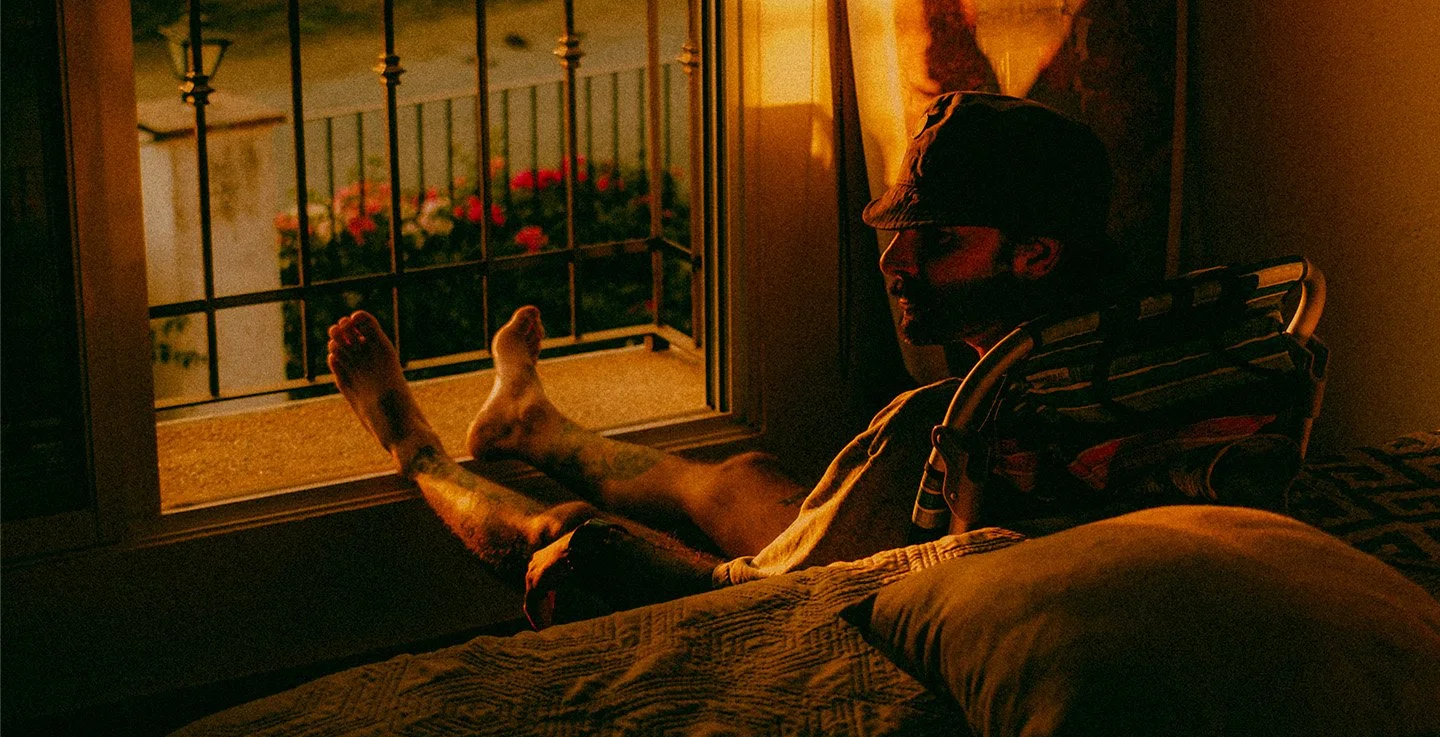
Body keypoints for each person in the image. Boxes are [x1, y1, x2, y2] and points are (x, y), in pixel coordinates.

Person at [328, 93, 1119, 627]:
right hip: (923, 547)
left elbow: (784, 600)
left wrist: (670, 570)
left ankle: (414, 447)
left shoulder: (941, 428)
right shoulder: (1127, 352)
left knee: (578, 540)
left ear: (1037, 254)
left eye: (938, 240)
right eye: (899, 232)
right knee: (739, 478)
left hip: (826, 603)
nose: (893, 261)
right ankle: (529, 424)